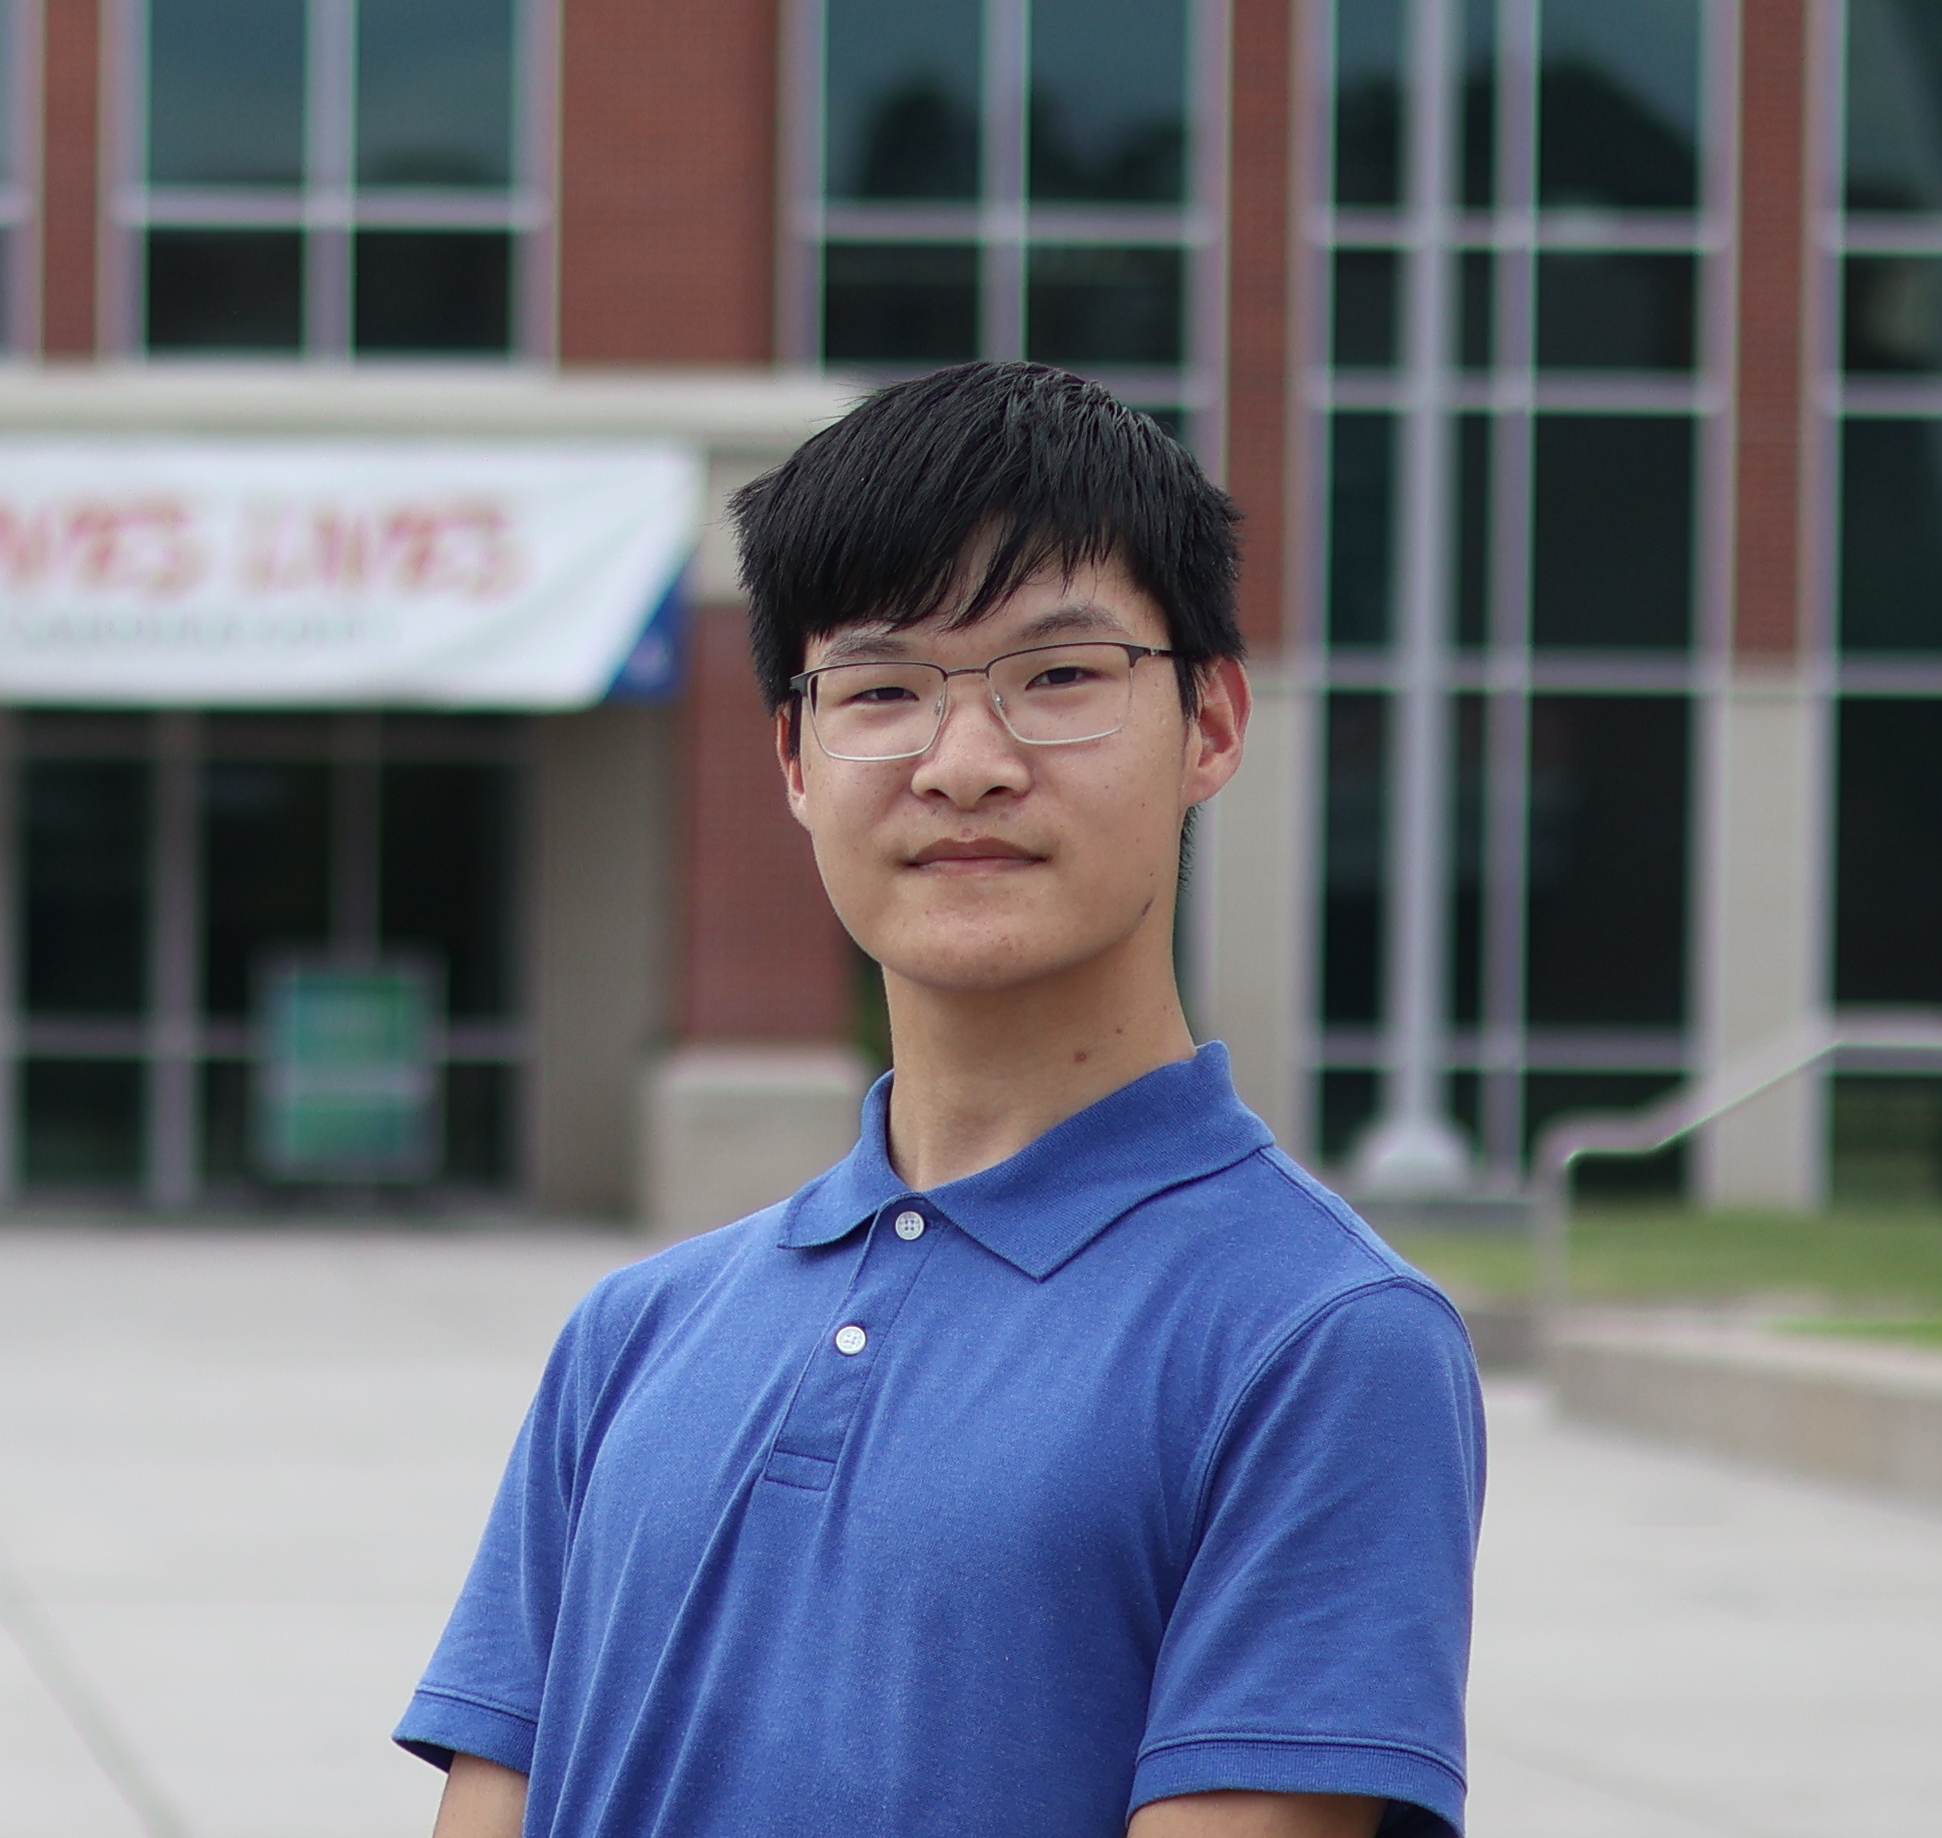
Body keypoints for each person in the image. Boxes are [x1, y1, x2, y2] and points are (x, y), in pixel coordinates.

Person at [395, 361, 1484, 1838]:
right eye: (884, 689)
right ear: (792, 754)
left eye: (1056, 677)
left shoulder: (1317, 1339)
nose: (964, 764)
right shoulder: (632, 1335)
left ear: (1211, 724)